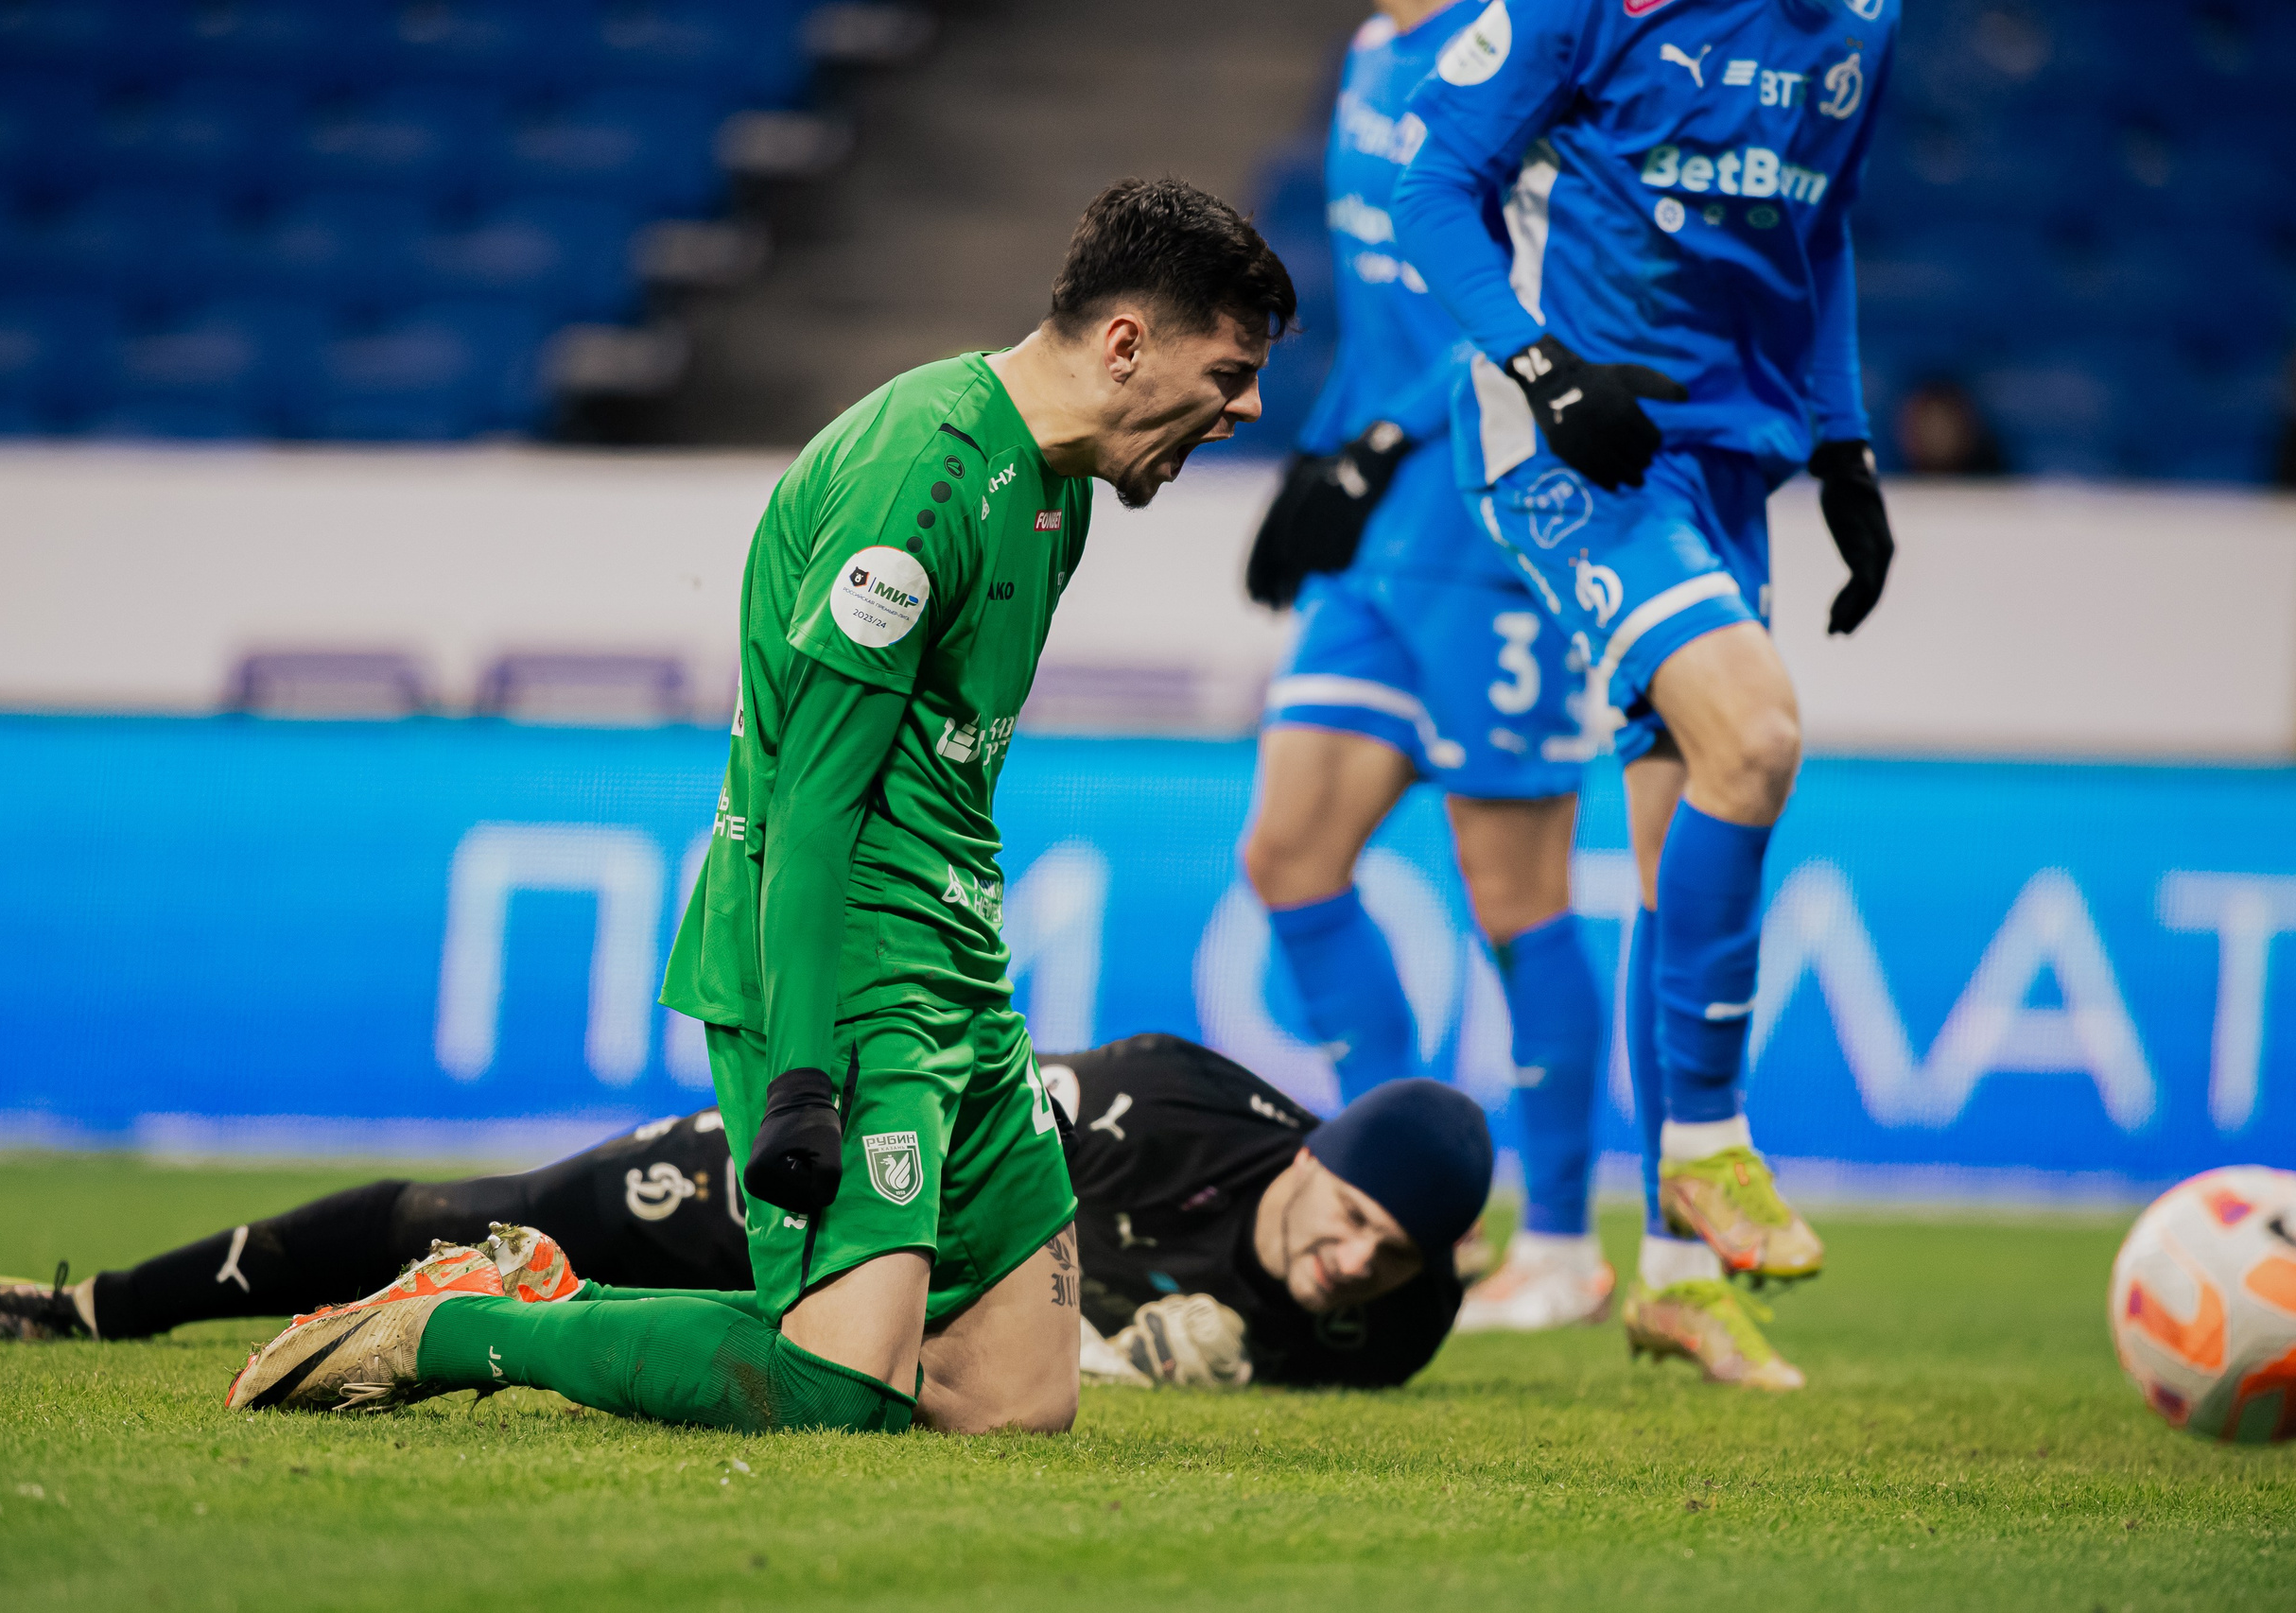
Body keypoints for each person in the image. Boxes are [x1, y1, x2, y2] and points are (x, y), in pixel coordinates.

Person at [210, 179, 1294, 1435]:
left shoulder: (1062, 493)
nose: (1249, 408)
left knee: (1015, 1405)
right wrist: (803, 1079)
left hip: (955, 962)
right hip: (848, 963)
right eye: (1229, 371)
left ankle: (594, 1295)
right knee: (836, 1392)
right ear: (1125, 343)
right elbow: (810, 809)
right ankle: (462, 1319)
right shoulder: (920, 486)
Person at [1391, 0, 1905, 1389]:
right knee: (1761, 730)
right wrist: (1540, 363)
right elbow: (1431, 181)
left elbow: (1825, 220)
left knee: (1685, 854)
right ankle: (1706, 1153)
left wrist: (1847, 444)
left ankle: (1677, 1285)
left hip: (1735, 461)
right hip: (1582, 445)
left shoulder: (1866, 19)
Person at [0, 1035, 1492, 1393]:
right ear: (1309, 1154)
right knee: (497, 1196)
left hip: (906, 1331)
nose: (1348, 1261)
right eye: (1345, 1214)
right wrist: (1107, 1323)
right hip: (876, 1170)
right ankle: (91, 1305)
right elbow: (974, 1164)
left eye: (1385, 1257)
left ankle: (495, 1307)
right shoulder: (1167, 1106)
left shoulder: (1398, 1319)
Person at [1238, 0, 1612, 1335]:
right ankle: (1384, 1179)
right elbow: (1385, 312)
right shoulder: (1373, 46)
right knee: (1290, 855)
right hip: (1384, 519)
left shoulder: (1528, 37)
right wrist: (1323, 456)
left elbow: (1539, 280)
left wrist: (1378, 445)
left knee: (1513, 889)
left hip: (1497, 511)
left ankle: (1563, 1241)